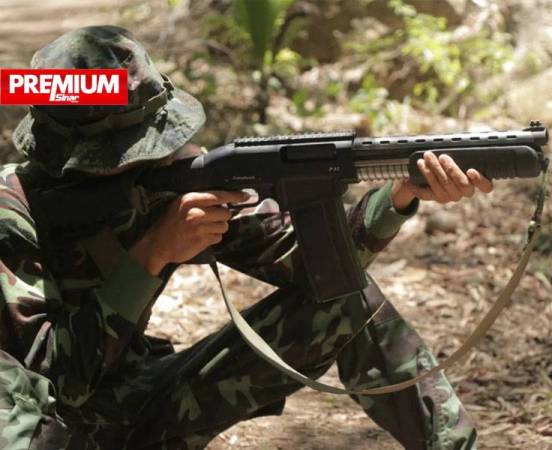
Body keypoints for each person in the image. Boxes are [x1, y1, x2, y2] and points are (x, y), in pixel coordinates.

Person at [0, 26, 493, 450]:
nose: (155, 159)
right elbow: (60, 380)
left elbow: (314, 263)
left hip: (145, 404)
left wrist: (401, 193)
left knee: (348, 301)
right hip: (53, 429)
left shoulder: (166, 182)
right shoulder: (13, 211)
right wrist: (152, 254)